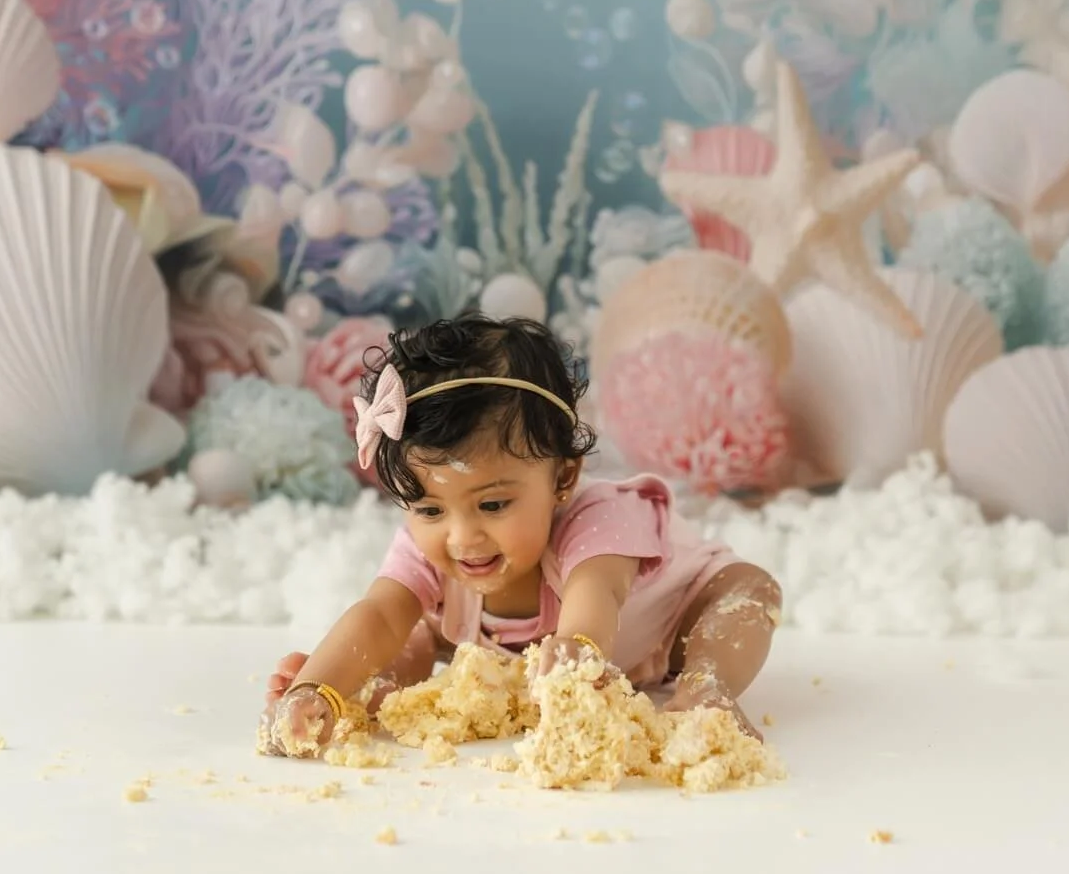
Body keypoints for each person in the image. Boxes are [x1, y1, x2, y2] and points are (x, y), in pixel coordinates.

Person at [257, 313, 782, 754]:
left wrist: (579, 646)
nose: (463, 537)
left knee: (748, 591)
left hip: (665, 629)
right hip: (517, 652)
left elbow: (596, 593)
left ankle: (706, 689)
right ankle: (371, 689)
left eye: (492, 503)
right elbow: (378, 612)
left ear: (564, 477)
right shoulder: (434, 543)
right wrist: (318, 685)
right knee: (414, 632)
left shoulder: (599, 517)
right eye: (428, 508)